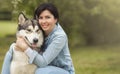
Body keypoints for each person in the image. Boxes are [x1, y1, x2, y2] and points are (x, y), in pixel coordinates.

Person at [1, 3, 75, 74]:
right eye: (41, 18)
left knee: (39, 71)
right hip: (48, 67)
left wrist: (25, 47)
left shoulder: (60, 37)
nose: (44, 21)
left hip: (62, 71)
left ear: (55, 19)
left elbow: (42, 62)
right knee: (12, 47)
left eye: (48, 17)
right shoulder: (42, 30)